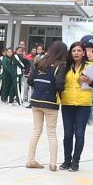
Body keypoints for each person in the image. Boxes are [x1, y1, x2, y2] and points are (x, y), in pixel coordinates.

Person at [24, 40, 65, 171]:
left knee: (36, 131)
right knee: (51, 133)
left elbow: (30, 80)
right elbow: (59, 85)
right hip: (50, 102)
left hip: (36, 100)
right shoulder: (60, 65)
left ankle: (30, 160)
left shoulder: (39, 63)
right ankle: (53, 163)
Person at [58, 41, 93, 171]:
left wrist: (89, 81)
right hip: (67, 102)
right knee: (67, 134)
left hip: (83, 104)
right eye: (74, 50)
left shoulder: (90, 66)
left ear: (84, 52)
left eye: (79, 50)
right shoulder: (66, 66)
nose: (76, 53)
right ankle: (66, 160)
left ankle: (75, 161)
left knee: (79, 134)